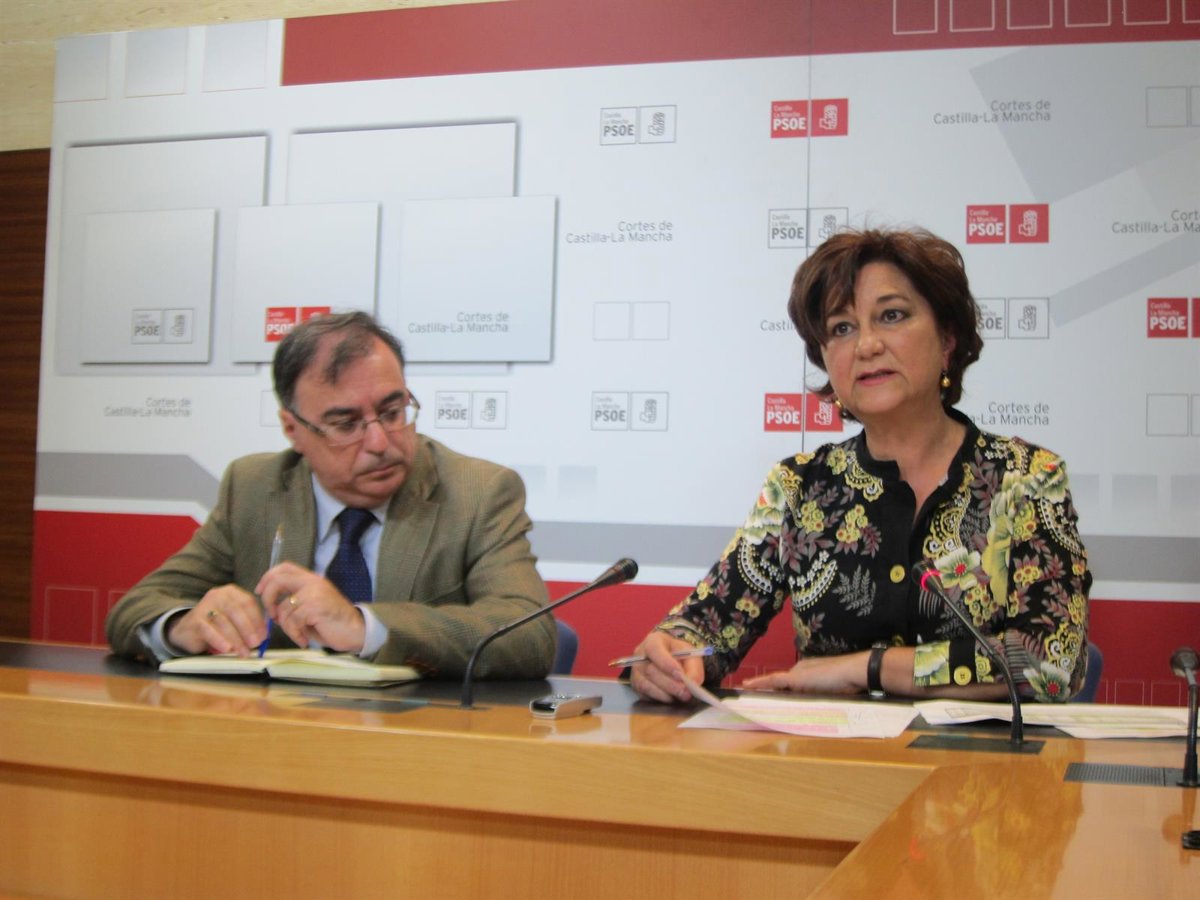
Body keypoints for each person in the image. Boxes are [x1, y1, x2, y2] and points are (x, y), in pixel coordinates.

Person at [631, 227, 1091, 704]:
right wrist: (670, 654)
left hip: (976, 752)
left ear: (948, 339)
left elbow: (1051, 660)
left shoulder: (1025, 478)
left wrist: (865, 669)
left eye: (892, 316)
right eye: (842, 329)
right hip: (830, 751)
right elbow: (707, 627)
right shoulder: (799, 487)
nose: (866, 345)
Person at [106, 311, 554, 678]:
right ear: (293, 430)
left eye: (392, 412)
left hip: (413, 737)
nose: (379, 441)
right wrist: (184, 626)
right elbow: (134, 611)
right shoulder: (254, 488)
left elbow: (530, 636)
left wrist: (363, 626)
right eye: (346, 424)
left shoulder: (478, 493)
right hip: (276, 734)